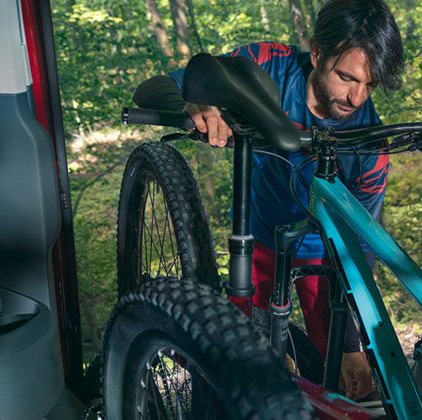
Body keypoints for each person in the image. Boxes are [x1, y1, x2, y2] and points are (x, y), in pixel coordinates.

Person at [133, 0, 404, 400]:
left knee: (349, 382)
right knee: (246, 363)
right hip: (259, 236)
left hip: (323, 253)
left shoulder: (370, 147)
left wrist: (349, 345)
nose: (357, 98)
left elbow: (360, 251)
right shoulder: (264, 66)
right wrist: (195, 106)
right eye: (346, 77)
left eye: (370, 84)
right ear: (316, 53)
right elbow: (153, 89)